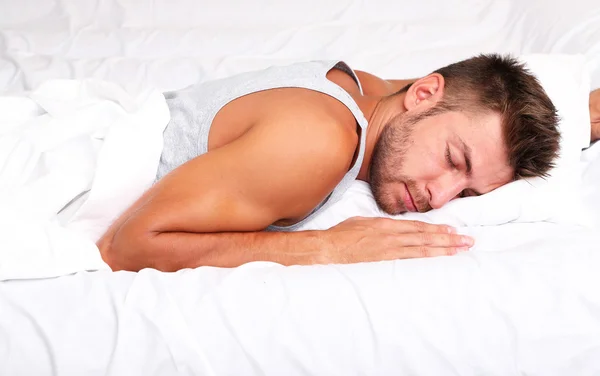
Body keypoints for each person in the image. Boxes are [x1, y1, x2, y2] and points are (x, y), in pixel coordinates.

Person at [97, 54, 600, 272]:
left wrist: (584, 117)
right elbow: (127, 246)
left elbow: (480, 98)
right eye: (453, 160)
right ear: (424, 93)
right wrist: (326, 249)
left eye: (467, 193)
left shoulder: (376, 90)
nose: (439, 197)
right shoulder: (317, 143)